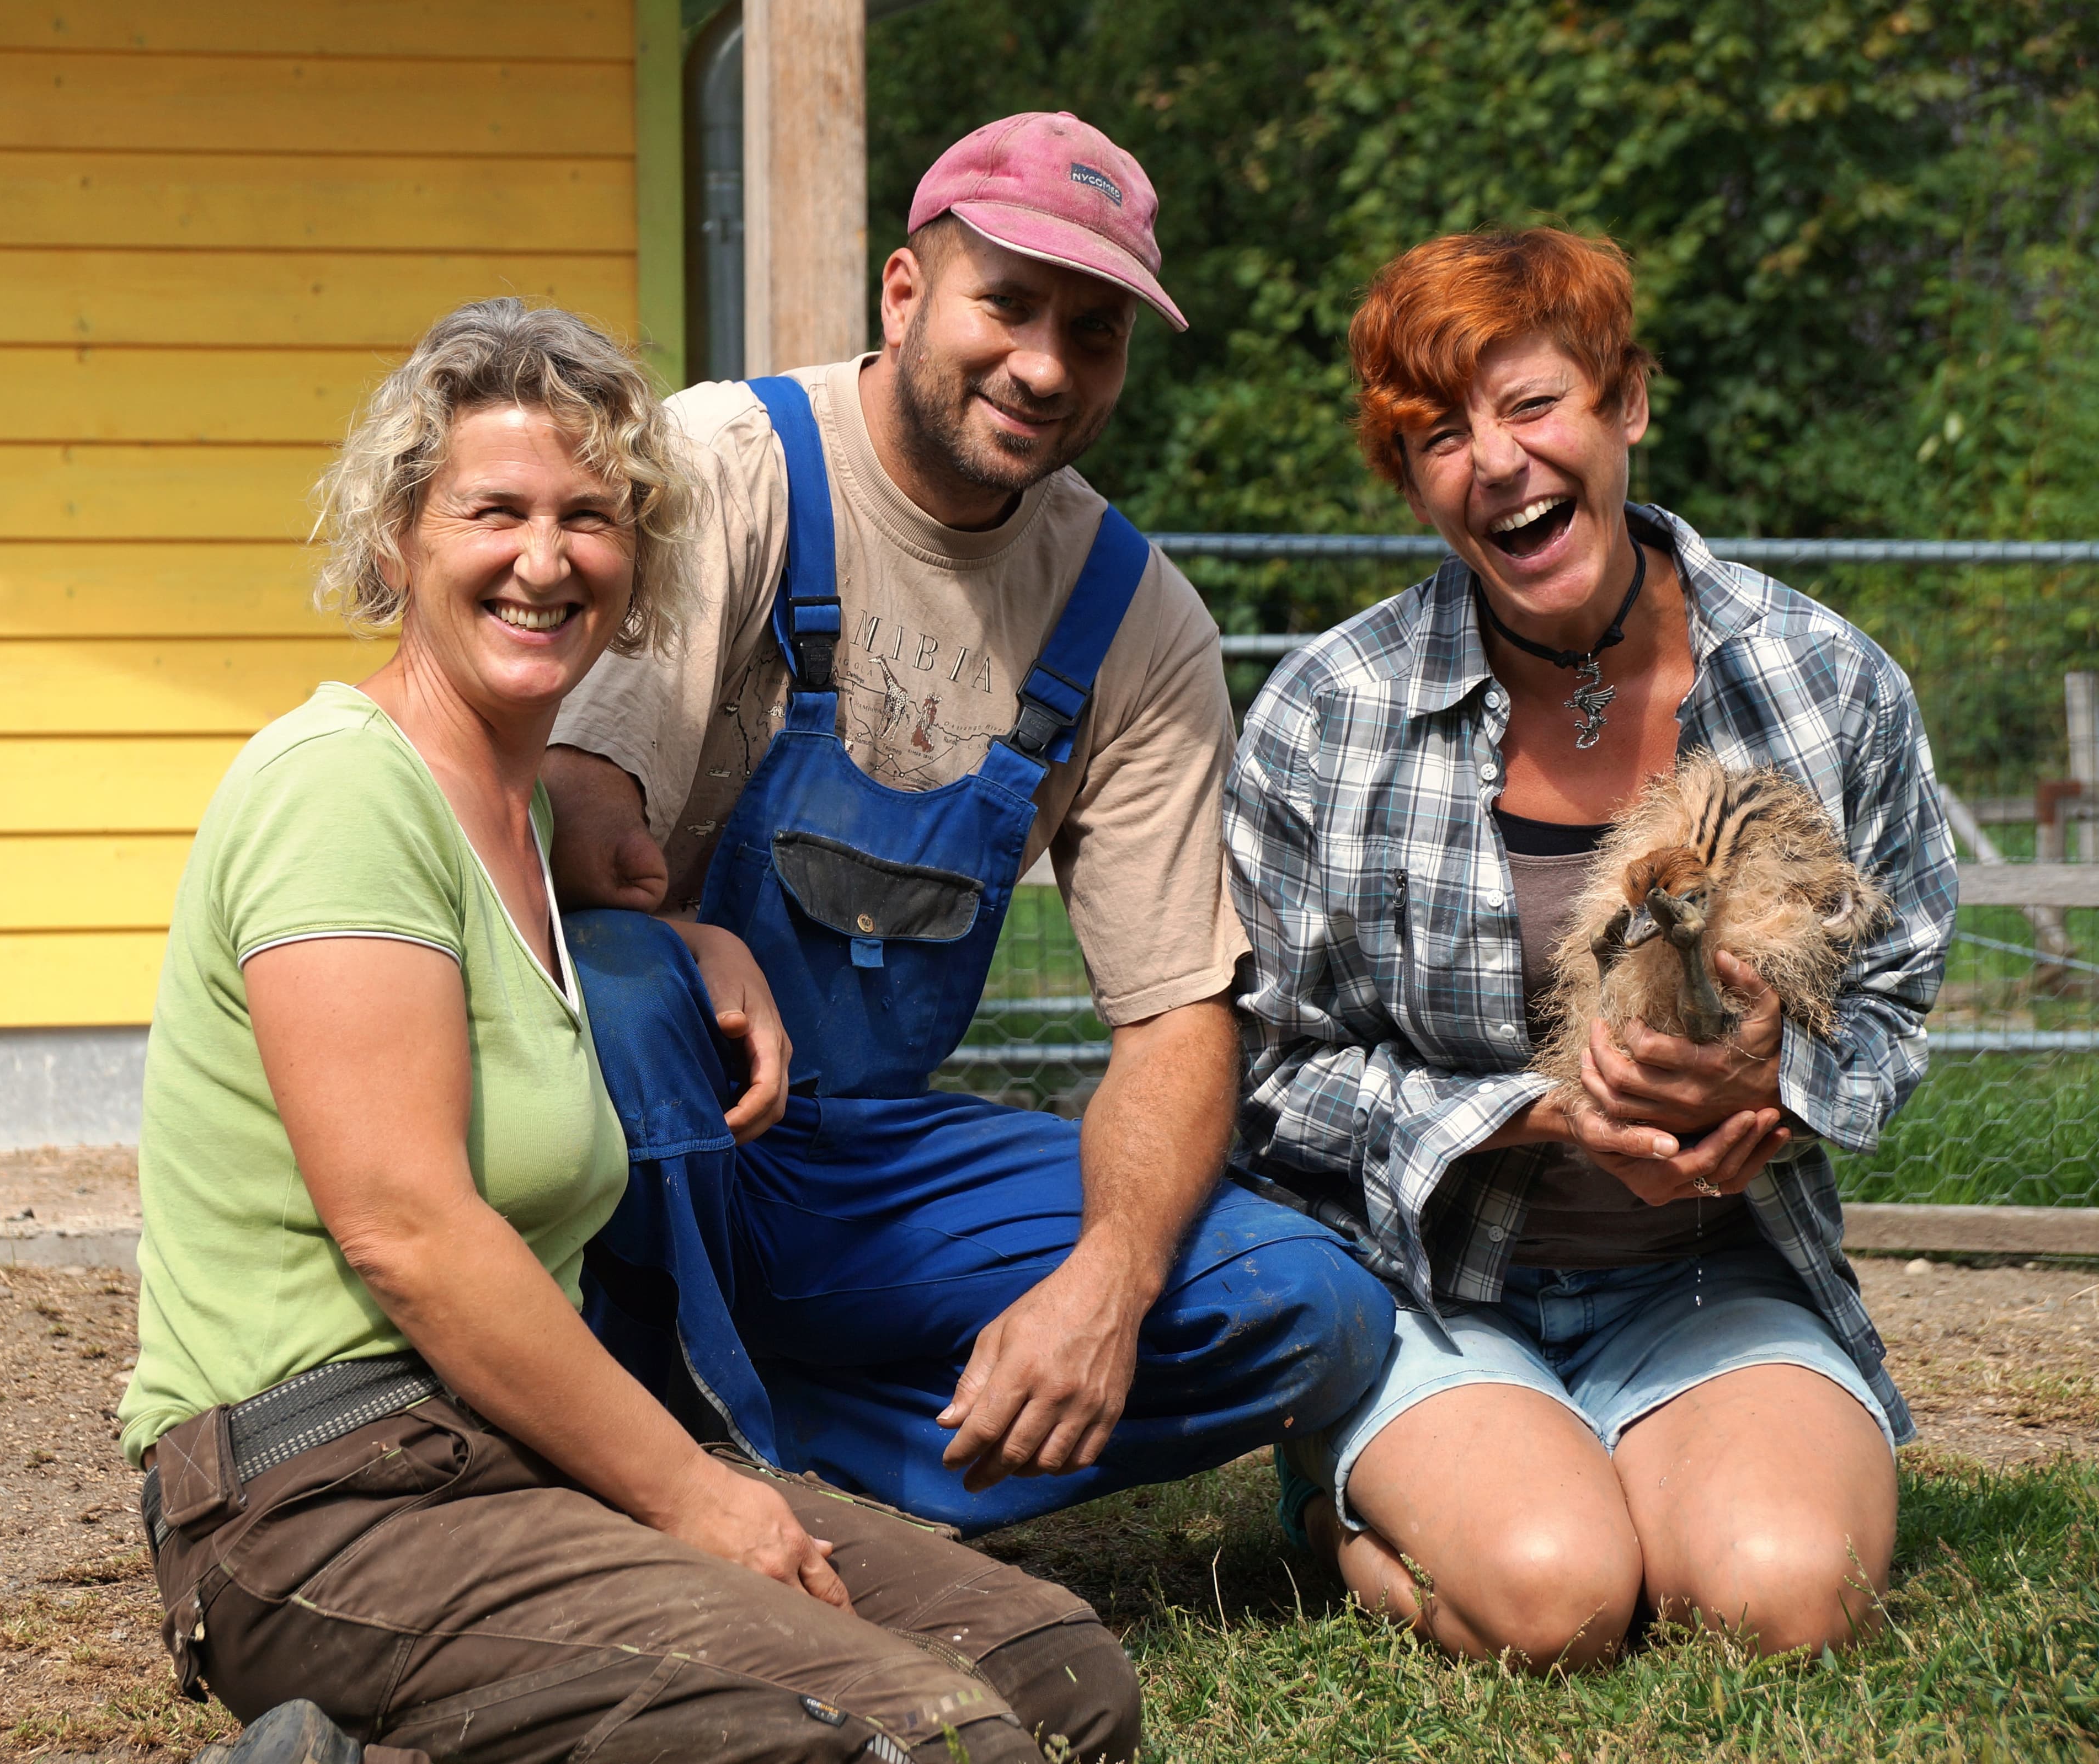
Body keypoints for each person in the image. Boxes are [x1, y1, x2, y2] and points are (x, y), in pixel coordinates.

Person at [121, 298, 1141, 1764]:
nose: (548, 560)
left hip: (510, 1452)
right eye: (497, 511)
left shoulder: (523, 825)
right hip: (322, 1499)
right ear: (402, 533)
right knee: (928, 1741)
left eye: (593, 518)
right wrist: (690, 1488)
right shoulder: (335, 788)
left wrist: (688, 937)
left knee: (1058, 1678)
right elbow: (405, 1223)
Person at [543, 111, 1398, 1533]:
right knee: (627, 995)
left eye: (1097, 329)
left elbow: (1179, 1023)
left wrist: (1103, 1292)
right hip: (643, 1125)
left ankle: (776, 1454)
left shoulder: (1133, 619)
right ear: (905, 292)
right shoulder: (732, 463)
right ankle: (662, 1426)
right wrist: (681, 933)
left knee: (1311, 1307)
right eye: (1007, 301)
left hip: (859, 1169)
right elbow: (581, 809)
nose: (1047, 366)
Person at [1225, 228, 1957, 1667]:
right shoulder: (1326, 712)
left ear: (1627, 401)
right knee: (1561, 1603)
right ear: (1409, 474)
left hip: (1713, 1276)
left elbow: (1894, 1008)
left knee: (1786, 1599)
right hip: (1431, 1280)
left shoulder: (1824, 680)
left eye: (1535, 405)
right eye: (1439, 433)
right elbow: (1261, 1073)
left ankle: (1639, 1469)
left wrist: (1775, 1090)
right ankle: (1342, 1497)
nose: (1495, 461)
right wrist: (1532, 1113)